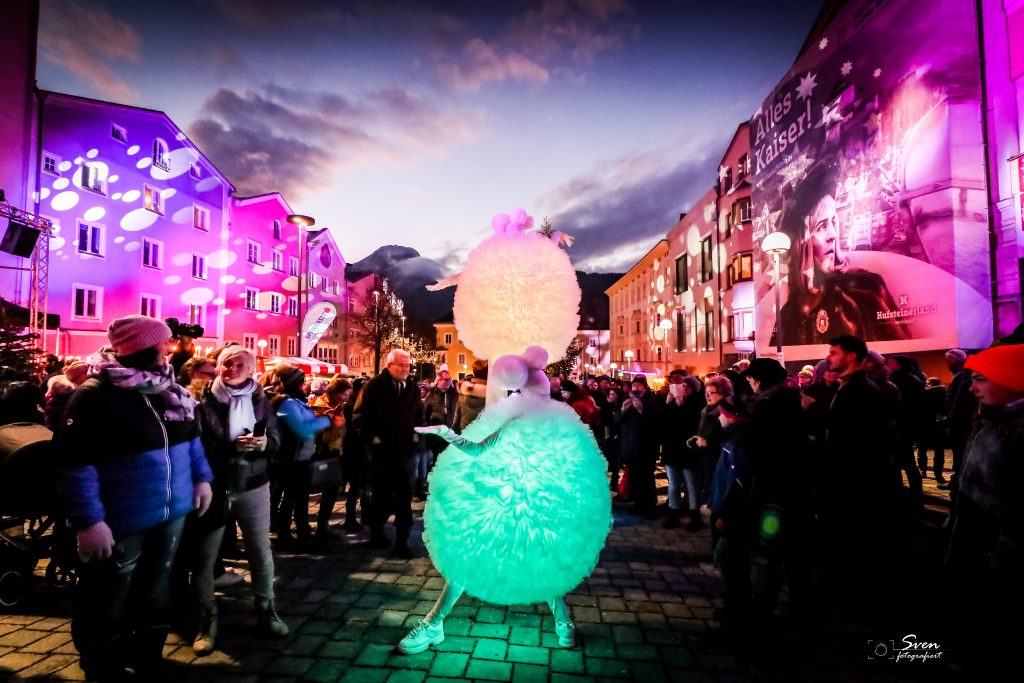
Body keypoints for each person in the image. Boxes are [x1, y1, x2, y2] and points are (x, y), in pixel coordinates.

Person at [56, 315, 213, 679]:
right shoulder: (96, 396)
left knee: (157, 586)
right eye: (163, 343)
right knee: (110, 593)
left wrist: (202, 478)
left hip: (170, 511)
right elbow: (75, 463)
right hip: (121, 517)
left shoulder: (166, 389)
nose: (169, 349)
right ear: (140, 347)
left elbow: (190, 440)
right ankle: (102, 662)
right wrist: (89, 521)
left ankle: (148, 654)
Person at [192, 346, 288, 655]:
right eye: (226, 364)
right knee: (205, 557)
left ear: (250, 370)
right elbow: (196, 446)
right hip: (215, 486)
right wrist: (230, 448)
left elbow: (275, 438)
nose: (231, 369)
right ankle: (207, 619)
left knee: (260, 549)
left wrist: (263, 445)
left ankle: (266, 608)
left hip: (254, 483)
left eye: (239, 365)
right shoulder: (202, 401)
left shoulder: (260, 400)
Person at [943, 343, 1024, 661]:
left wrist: (1001, 554)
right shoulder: (993, 421)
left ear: (1011, 379)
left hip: (999, 555)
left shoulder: (1016, 432)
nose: (972, 387)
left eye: (981, 379)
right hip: (975, 543)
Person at [774, 165, 909, 345]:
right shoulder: (787, 316)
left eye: (833, 222)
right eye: (822, 226)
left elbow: (896, 359)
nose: (833, 235)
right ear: (801, 245)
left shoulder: (865, 289)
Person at [351, 348, 423, 558]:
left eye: (407, 365)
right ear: (389, 365)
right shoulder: (374, 386)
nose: (405, 369)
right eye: (400, 365)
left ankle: (402, 540)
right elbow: (359, 417)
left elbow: (418, 413)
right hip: (381, 454)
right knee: (380, 497)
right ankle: (377, 534)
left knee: (403, 499)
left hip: (405, 453)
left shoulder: (412, 387)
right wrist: (373, 439)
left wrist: (417, 435)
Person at [271, 364, 330, 550]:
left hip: (300, 456)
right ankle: (289, 536)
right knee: (293, 499)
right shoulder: (287, 403)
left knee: (296, 498)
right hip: (290, 458)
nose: (306, 385)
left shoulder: (297, 401)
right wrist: (326, 420)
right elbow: (302, 429)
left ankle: (298, 534)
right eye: (303, 381)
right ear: (295, 382)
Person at [660, 372, 704, 530]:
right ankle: (673, 511)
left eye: (687, 386)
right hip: (672, 449)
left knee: (691, 483)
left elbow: (691, 423)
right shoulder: (673, 403)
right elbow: (664, 423)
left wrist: (682, 405)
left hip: (688, 450)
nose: (684, 388)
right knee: (673, 483)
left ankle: (694, 514)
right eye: (682, 386)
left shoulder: (698, 403)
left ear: (694, 388)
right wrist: (668, 403)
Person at [309, 378, 351, 541]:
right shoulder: (321, 405)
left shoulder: (338, 406)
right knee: (327, 489)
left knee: (332, 490)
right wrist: (336, 425)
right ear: (336, 392)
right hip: (325, 451)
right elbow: (321, 429)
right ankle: (320, 527)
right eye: (345, 394)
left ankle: (323, 524)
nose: (346, 398)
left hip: (336, 450)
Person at [617, 375, 661, 518]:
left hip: (646, 448)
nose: (636, 388)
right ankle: (638, 503)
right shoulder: (627, 399)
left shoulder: (651, 401)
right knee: (635, 478)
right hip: (631, 447)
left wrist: (642, 410)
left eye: (639, 385)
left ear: (645, 387)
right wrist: (623, 410)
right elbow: (618, 422)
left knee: (647, 478)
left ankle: (649, 506)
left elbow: (655, 424)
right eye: (634, 385)